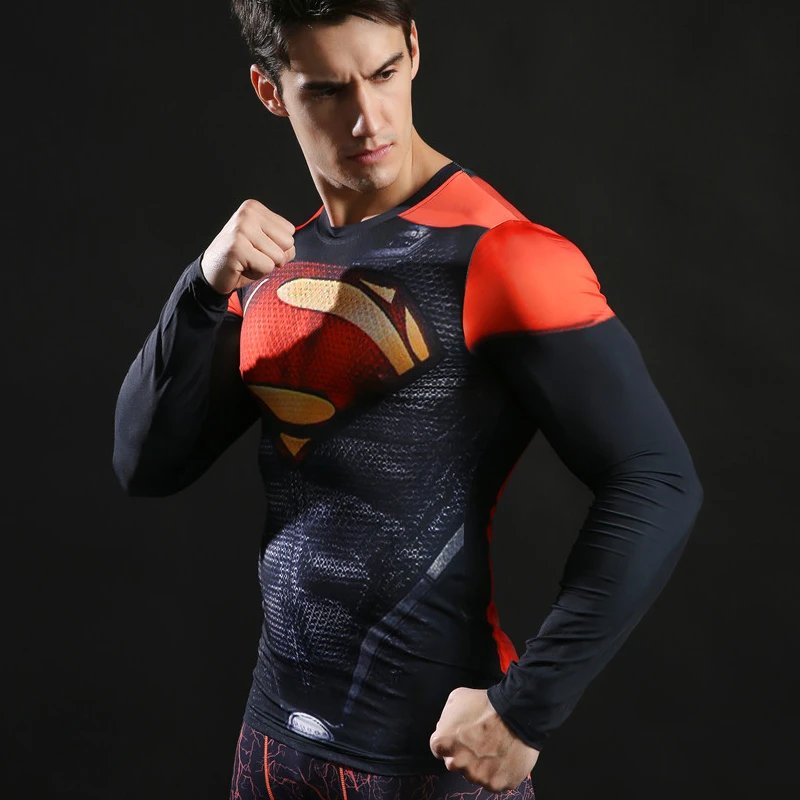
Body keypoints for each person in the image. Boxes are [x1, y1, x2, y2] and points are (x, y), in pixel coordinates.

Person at [112, 2, 704, 798]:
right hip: (270, 752)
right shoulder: (276, 266)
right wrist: (199, 291)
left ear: (414, 49)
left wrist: (527, 709)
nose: (368, 119)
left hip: (428, 764)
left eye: (384, 73)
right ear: (270, 91)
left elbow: (657, 479)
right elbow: (145, 463)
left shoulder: (502, 255)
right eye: (329, 90)